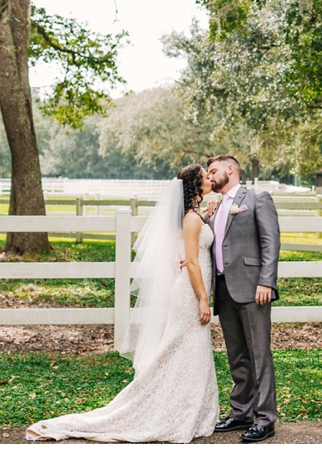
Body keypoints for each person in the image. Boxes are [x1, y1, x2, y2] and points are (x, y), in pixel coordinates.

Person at [25, 165, 219, 443]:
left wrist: (207, 218)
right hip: (190, 294)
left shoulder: (193, 217)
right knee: (180, 349)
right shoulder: (191, 218)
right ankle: (164, 408)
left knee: (188, 351)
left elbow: (184, 251)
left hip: (191, 289)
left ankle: (192, 410)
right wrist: (202, 299)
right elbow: (190, 261)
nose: (210, 179)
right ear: (196, 184)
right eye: (206, 175)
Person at [205, 155, 280, 443]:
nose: (210, 176)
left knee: (259, 355)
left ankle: (265, 419)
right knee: (236, 356)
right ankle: (241, 413)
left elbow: (270, 242)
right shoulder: (216, 207)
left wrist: (266, 282)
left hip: (253, 289)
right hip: (224, 291)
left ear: (230, 169)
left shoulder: (258, 198)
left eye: (213, 171)